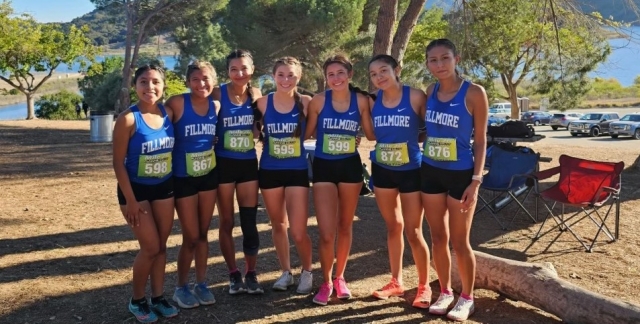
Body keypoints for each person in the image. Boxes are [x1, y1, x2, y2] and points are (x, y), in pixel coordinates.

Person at [421, 38, 488, 321]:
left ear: (456, 59)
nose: (439, 65)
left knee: (460, 241)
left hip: (461, 174)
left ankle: (467, 297)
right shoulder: (430, 90)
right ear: (428, 64)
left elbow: (482, 140)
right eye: (433, 60)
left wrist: (476, 181)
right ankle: (445, 291)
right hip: (430, 171)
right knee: (438, 237)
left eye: (444, 58)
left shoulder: (473, 93)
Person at [304, 54, 374, 306]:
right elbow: (307, 131)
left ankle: (340, 277)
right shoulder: (319, 102)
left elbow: (371, 134)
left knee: (345, 226)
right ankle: (325, 281)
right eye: (330, 74)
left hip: (350, 167)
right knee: (325, 232)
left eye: (340, 73)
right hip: (323, 167)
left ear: (350, 74)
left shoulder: (361, 101)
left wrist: (376, 106)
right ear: (326, 78)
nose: (336, 78)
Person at [112, 65, 179, 323]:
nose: (149, 87)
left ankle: (158, 297)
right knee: (150, 247)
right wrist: (129, 200)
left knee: (161, 247)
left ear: (163, 86)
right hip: (135, 191)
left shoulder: (168, 113)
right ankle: (137, 300)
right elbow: (118, 162)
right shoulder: (128, 119)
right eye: (143, 81)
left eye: (155, 82)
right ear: (135, 85)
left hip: (164, 187)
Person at [367, 54, 432, 309]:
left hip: (411, 170)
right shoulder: (373, 102)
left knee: (414, 231)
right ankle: (396, 281)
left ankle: (424, 285)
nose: (379, 77)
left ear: (397, 70)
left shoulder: (415, 96)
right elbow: (371, 133)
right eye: (373, 74)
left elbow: (432, 128)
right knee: (393, 226)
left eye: (384, 70)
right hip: (382, 170)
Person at [164, 61, 220, 309]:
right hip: (183, 177)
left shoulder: (215, 106)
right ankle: (180, 287)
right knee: (190, 236)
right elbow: (156, 126)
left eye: (206, 79)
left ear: (213, 80)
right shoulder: (177, 103)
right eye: (195, 79)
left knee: (204, 234)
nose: (201, 84)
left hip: (208, 175)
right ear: (188, 82)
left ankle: (201, 283)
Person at [255, 56, 313, 294]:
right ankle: (286, 272)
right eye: (281, 75)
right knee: (278, 224)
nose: (286, 80)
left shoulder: (307, 102)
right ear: (273, 76)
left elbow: (328, 120)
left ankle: (307, 272)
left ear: (298, 77)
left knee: (298, 231)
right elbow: (246, 128)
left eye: (291, 75)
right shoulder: (262, 103)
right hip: (269, 170)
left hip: (297, 171)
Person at [211, 49, 264, 295]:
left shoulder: (256, 94)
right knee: (227, 221)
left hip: (247, 164)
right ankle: (233, 274)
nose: (239, 73)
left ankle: (251, 273)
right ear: (227, 72)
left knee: (249, 221)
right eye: (234, 69)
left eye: (244, 68)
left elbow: (257, 130)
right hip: (223, 164)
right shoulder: (218, 93)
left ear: (252, 70)